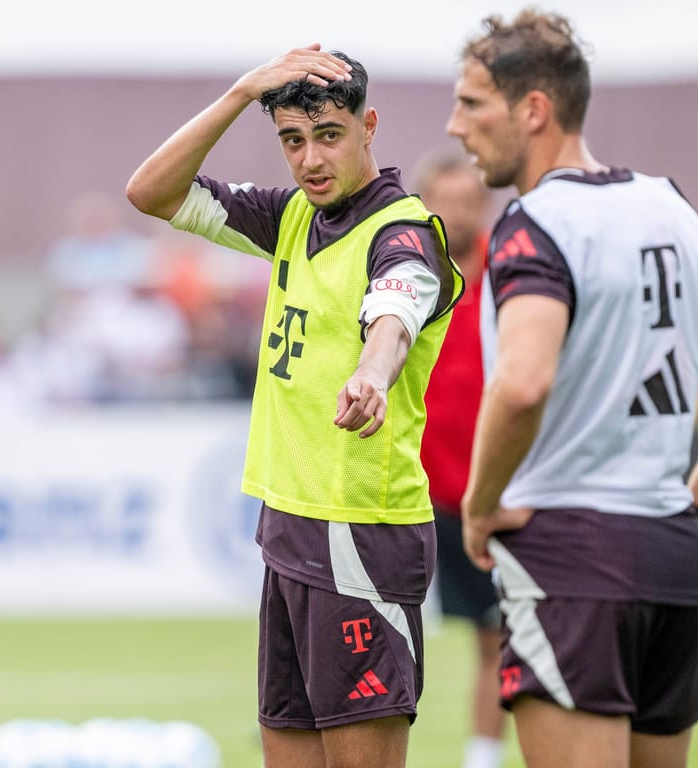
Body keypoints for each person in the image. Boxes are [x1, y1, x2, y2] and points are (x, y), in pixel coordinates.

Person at [447, 10, 698, 768]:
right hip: (671, 558)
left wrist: (479, 503)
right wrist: (690, 502)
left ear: (534, 108)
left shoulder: (534, 223)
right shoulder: (671, 209)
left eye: (471, 104)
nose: (454, 126)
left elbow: (524, 380)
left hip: (569, 551)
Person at [127, 46, 461, 768]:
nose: (310, 158)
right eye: (291, 140)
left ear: (369, 126)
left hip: (361, 535)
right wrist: (240, 91)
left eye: (330, 135)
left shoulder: (404, 234)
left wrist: (373, 372)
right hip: (288, 526)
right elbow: (150, 192)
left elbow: (394, 312)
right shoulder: (288, 218)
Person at [412, 150, 508, 768]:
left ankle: (483, 758)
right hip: (415, 491)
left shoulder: (518, 271)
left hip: (496, 491)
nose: (458, 213)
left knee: (496, 636)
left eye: (469, 201)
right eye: (446, 202)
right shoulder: (405, 271)